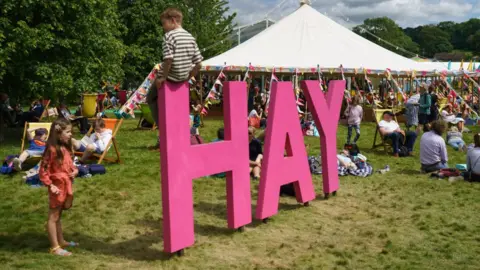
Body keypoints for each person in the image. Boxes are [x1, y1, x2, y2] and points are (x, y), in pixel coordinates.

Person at [146, 7, 203, 149]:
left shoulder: (169, 36)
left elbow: (168, 59)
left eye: (164, 24)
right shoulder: (190, 37)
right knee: (177, 107)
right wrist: (188, 76)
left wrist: (161, 78)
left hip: (170, 76)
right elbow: (199, 63)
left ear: (173, 21)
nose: (163, 28)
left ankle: (163, 129)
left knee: (151, 98)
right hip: (183, 78)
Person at [39, 118, 79, 256]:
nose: (70, 134)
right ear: (58, 133)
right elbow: (43, 170)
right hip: (57, 186)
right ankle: (55, 247)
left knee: (58, 215)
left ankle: (61, 240)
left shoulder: (65, 147)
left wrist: (75, 170)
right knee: (53, 216)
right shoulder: (51, 149)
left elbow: (69, 164)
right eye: (68, 132)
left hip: (65, 184)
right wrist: (50, 185)